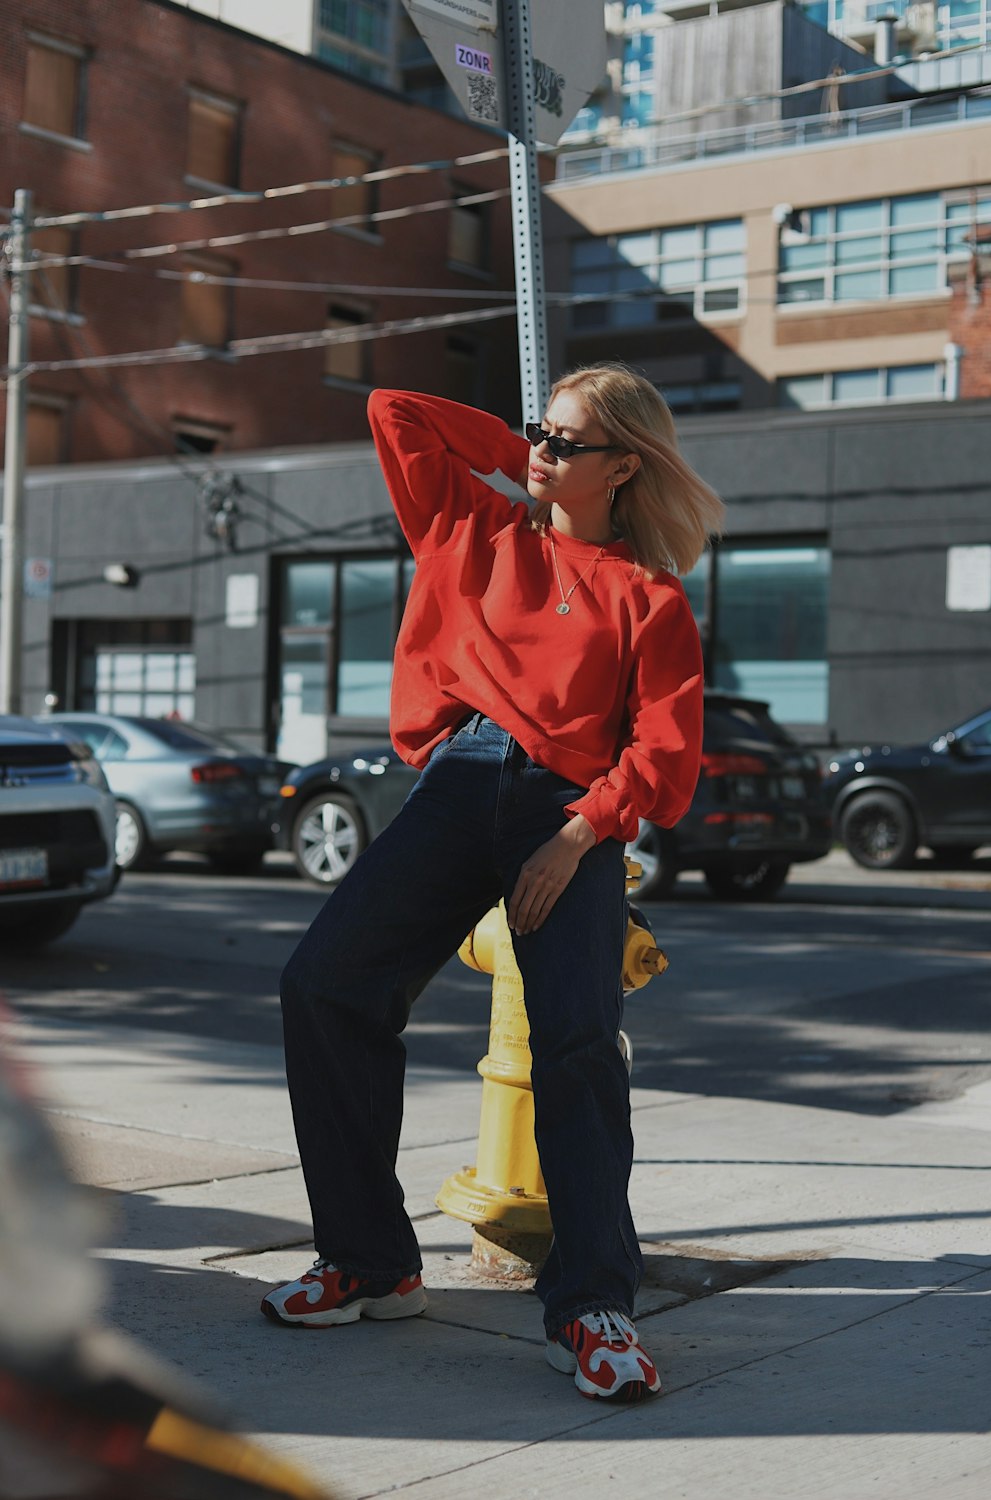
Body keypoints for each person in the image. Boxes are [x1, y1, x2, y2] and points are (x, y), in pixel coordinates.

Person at [261, 363, 725, 1403]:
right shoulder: (472, 527)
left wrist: (578, 836)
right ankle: (370, 1262)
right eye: (539, 433)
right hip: (458, 778)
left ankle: (592, 1305)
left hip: (568, 813)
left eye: (568, 442)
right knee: (325, 985)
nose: (542, 454)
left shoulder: (646, 598)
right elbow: (397, 410)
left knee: (574, 1042)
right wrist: (521, 445)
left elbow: (666, 760)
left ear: (625, 468)